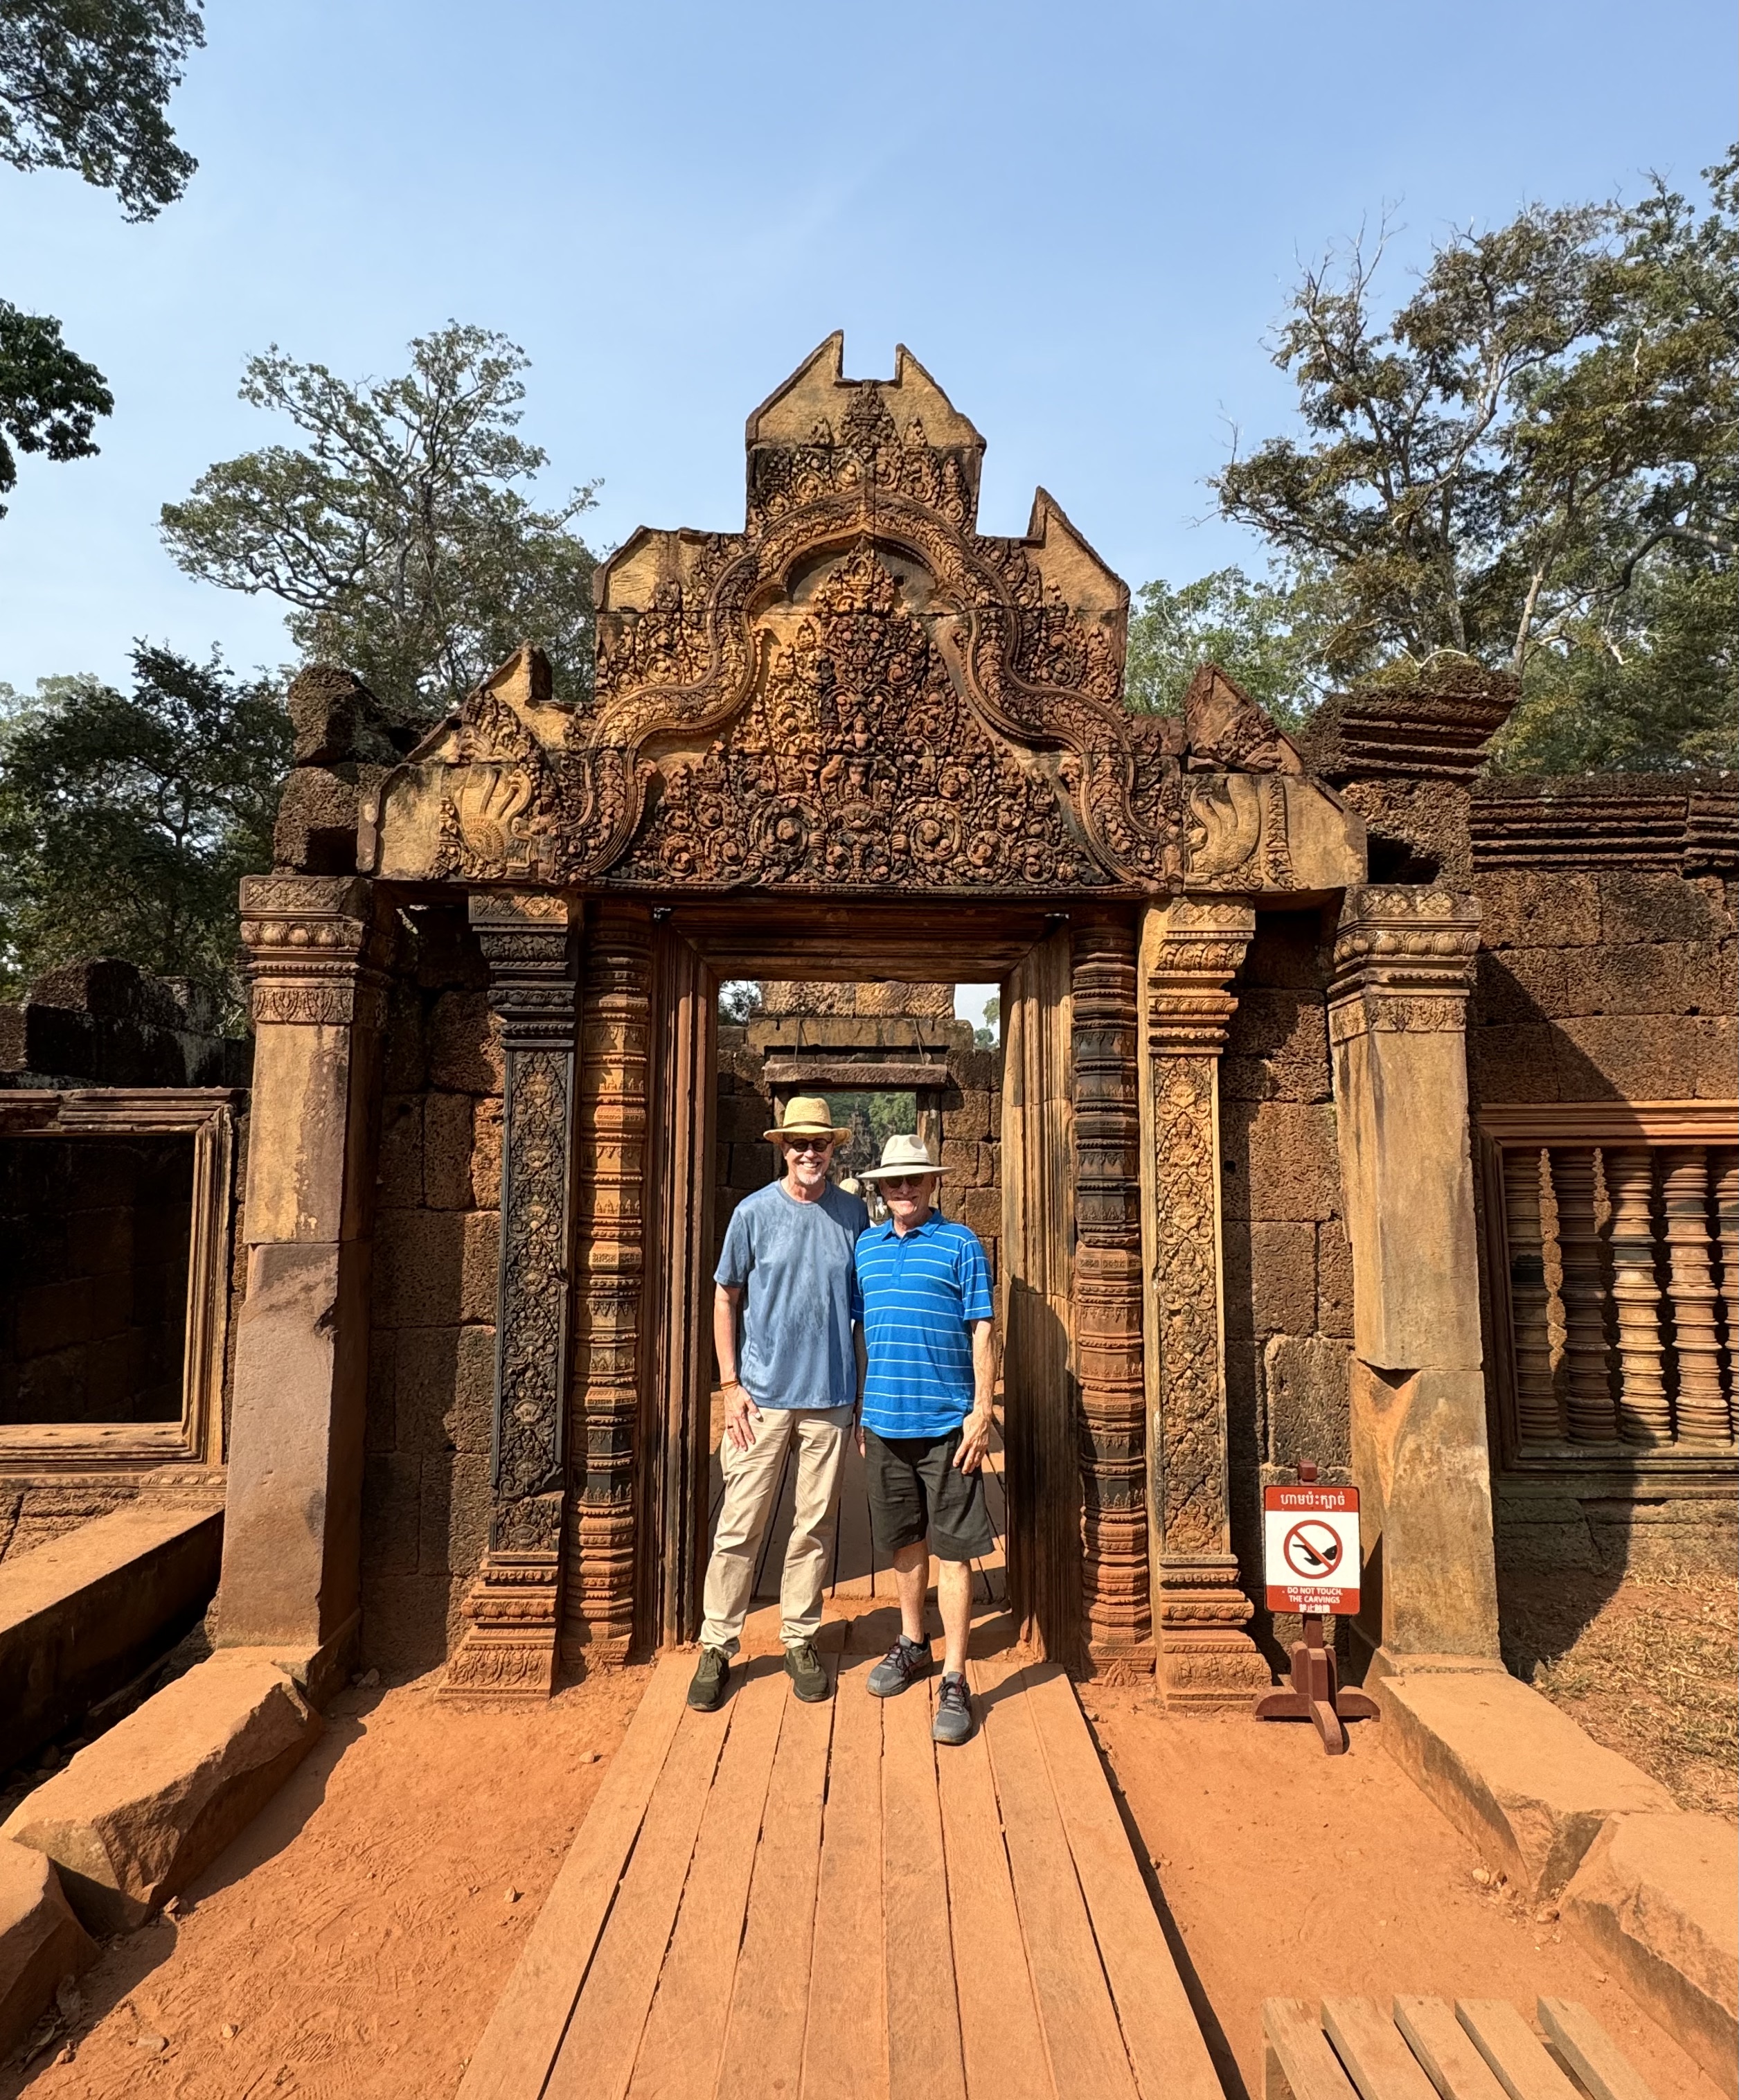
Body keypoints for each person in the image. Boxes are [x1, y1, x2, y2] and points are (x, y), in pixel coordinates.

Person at [688, 1096, 869, 1711]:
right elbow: (725, 1296)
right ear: (782, 1148)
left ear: (832, 1149)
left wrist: (861, 1396)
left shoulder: (852, 1216)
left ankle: (799, 1637)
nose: (809, 1153)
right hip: (760, 1399)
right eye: (799, 1144)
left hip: (829, 1396)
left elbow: (861, 1313)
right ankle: (717, 1644)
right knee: (740, 1524)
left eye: (819, 1144)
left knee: (813, 1526)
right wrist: (729, 1384)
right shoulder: (753, 1213)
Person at [853, 1133, 995, 1746]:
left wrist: (982, 1410)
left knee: (956, 1551)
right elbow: (863, 1331)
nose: (904, 1189)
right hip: (885, 1423)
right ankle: (913, 1641)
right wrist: (861, 1407)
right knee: (904, 1542)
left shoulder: (960, 1244)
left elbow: (982, 1327)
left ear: (933, 1182)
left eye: (915, 1178)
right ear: (881, 1189)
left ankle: (955, 1675)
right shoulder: (865, 1248)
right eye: (894, 1181)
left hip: (946, 1426)